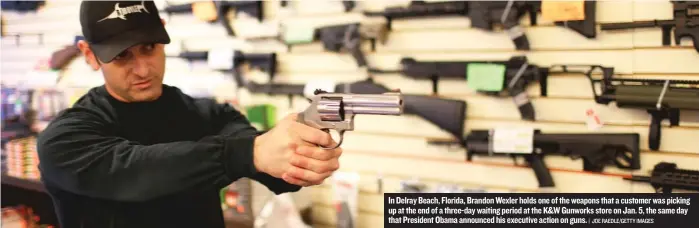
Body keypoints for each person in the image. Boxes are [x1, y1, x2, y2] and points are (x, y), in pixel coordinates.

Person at [36, 1, 343, 227]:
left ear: (163, 35)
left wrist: (300, 155)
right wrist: (248, 153)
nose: (143, 69)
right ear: (90, 54)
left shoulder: (207, 114)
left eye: (149, 48)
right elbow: (136, 171)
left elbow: (271, 167)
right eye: (122, 56)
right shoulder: (65, 141)